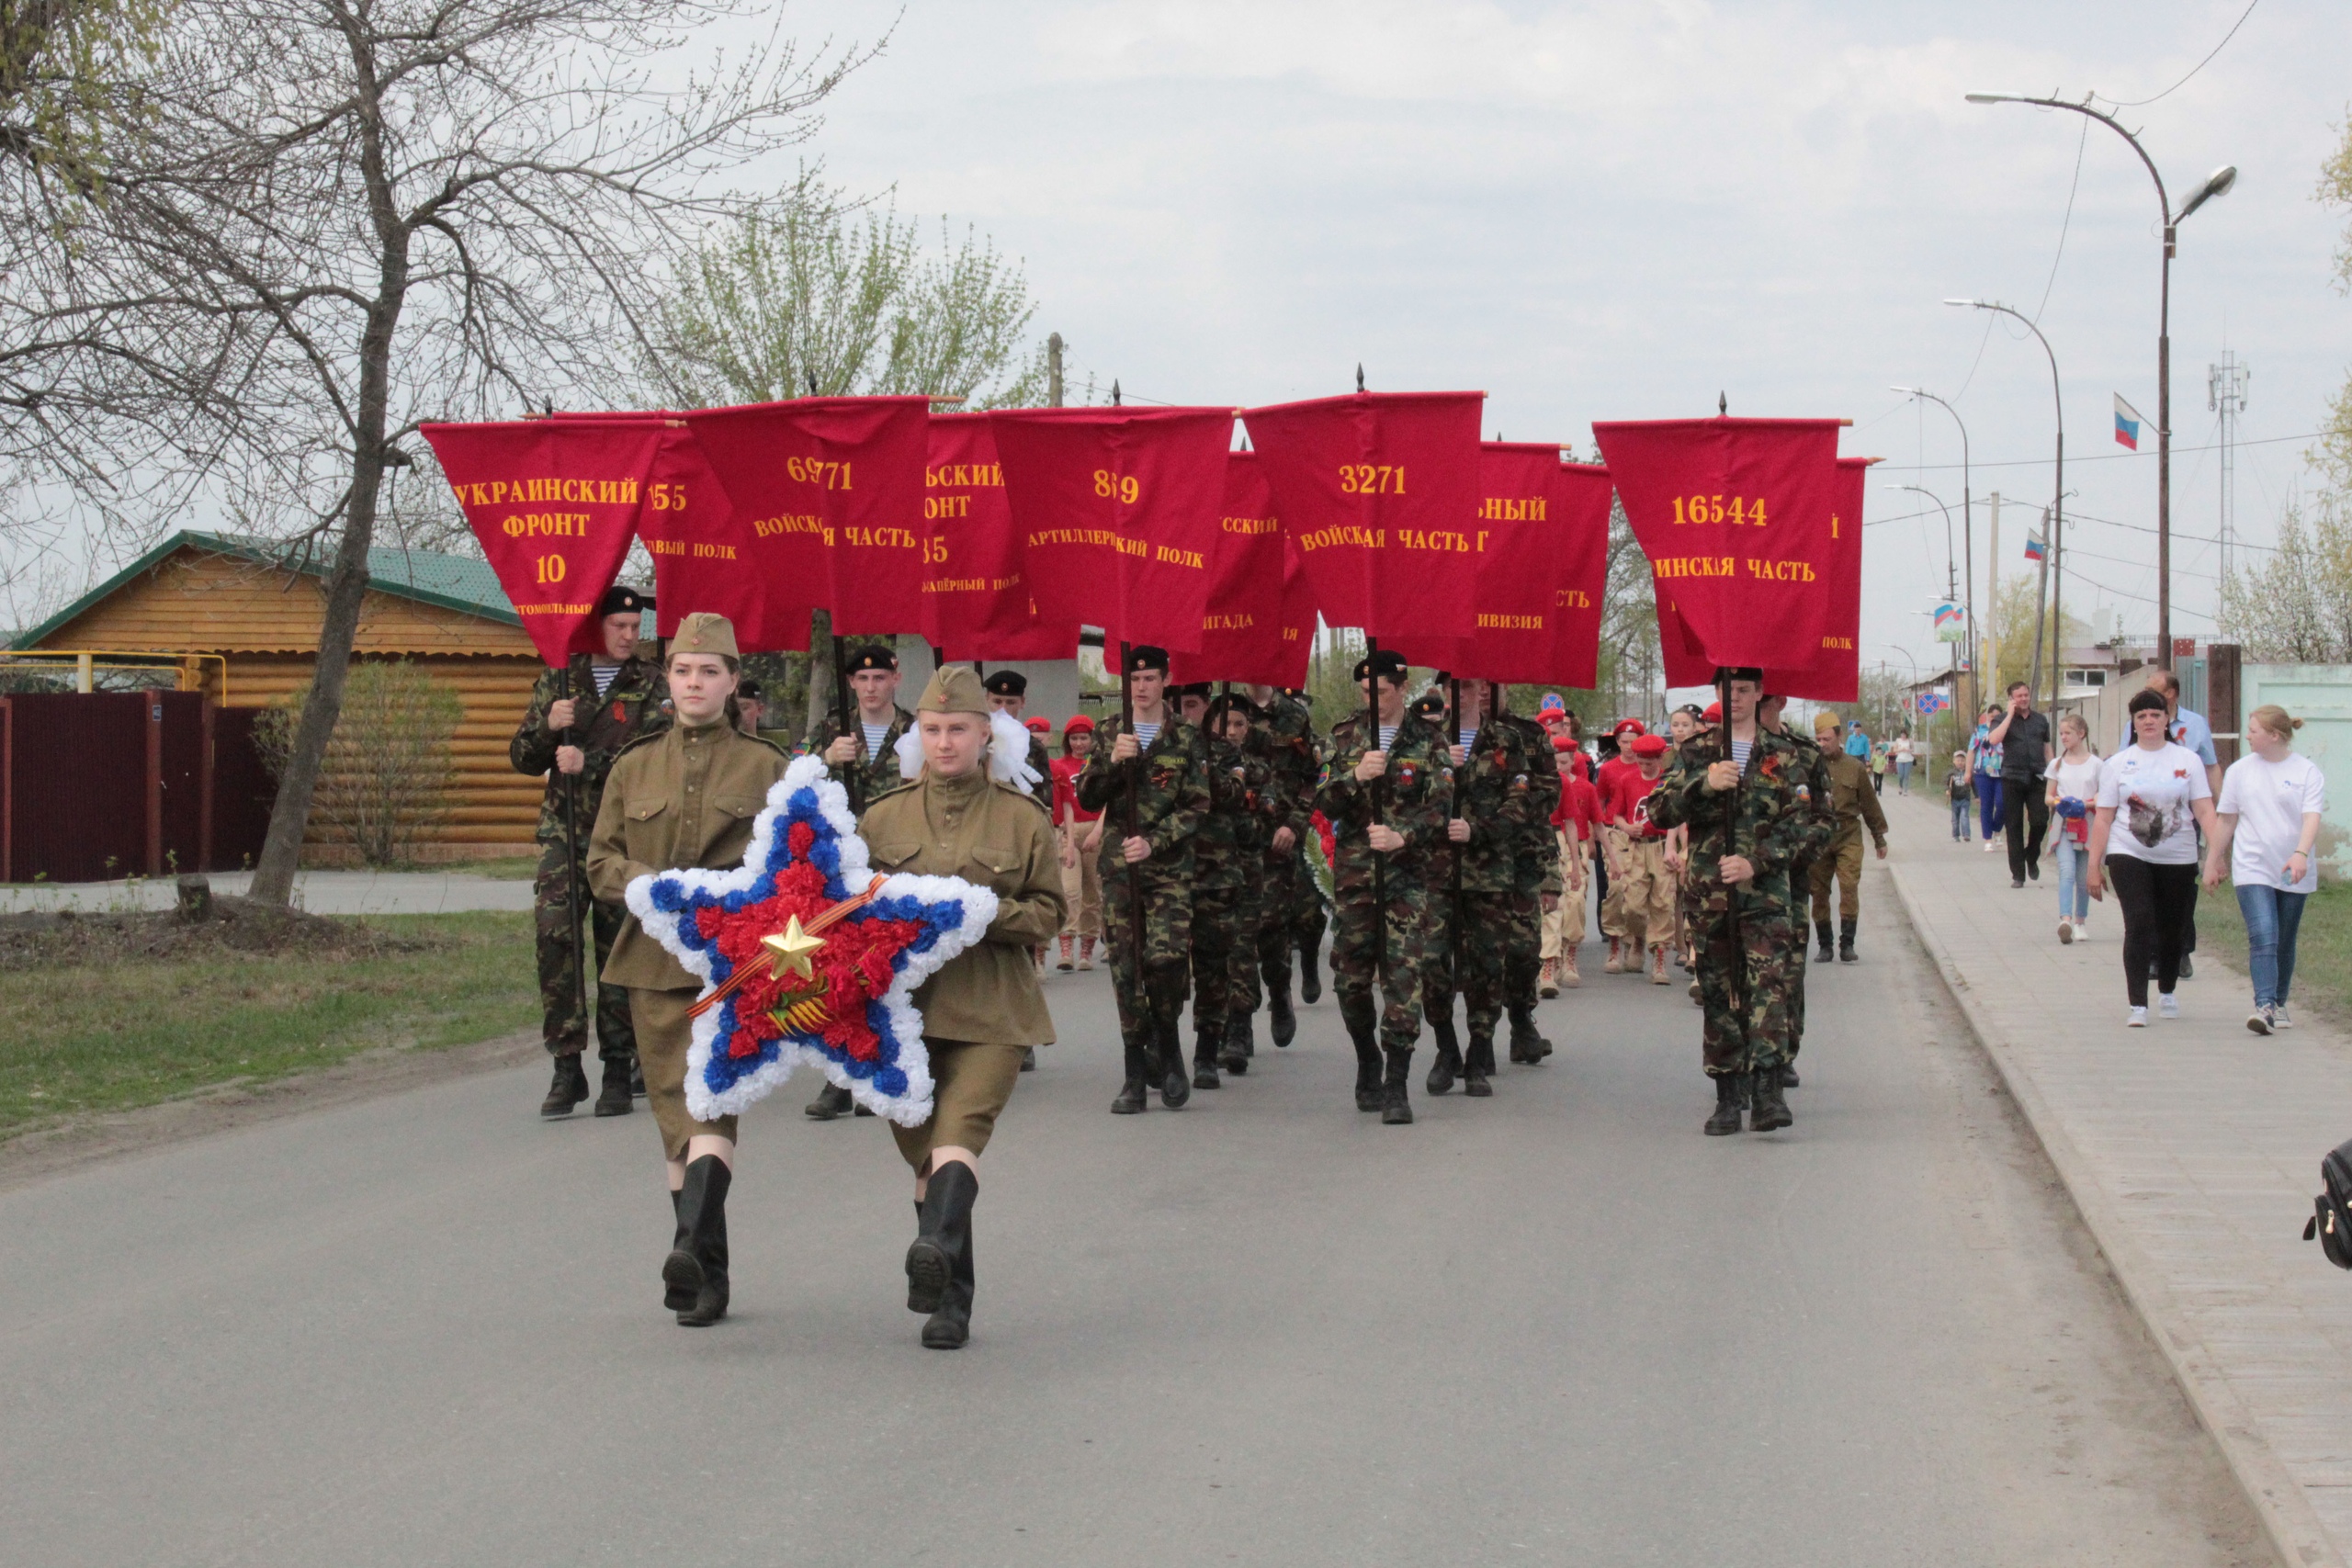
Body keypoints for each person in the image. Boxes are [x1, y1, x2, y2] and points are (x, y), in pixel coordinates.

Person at [584, 612, 790, 1327]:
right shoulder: (633, 765)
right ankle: (704, 1268)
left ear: (733, 681)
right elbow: (601, 860)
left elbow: (796, 867)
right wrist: (651, 885)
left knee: (712, 1104)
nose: (694, 683)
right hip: (654, 961)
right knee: (676, 1116)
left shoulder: (768, 767)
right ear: (667, 680)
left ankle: (687, 1249)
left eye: (709, 671)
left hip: (735, 963)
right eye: (682, 670)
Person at [857, 664, 1067, 1348]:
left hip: (991, 1010)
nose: (945, 742)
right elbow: (848, 911)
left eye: (958, 730)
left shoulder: (1022, 817)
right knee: (927, 1159)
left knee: (959, 1134)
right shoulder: (881, 817)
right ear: (918, 735)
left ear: (986, 735)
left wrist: (977, 912)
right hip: (902, 1016)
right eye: (933, 729)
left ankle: (948, 1291)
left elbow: (1048, 913)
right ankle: (944, 1280)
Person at [509, 583, 669, 1119]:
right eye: (619, 626)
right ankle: (566, 1063)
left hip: (622, 835)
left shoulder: (650, 683)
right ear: (596, 627)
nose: (629, 635)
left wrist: (591, 764)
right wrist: (547, 727)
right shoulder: (561, 677)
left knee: (616, 945)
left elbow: (655, 759)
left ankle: (619, 1066)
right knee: (555, 937)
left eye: (635, 627)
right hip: (565, 832)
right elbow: (522, 758)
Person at [1647, 670, 1824, 1135]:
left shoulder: (1783, 754)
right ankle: (1728, 1095)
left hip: (1765, 893)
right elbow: (1659, 811)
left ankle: (1768, 1093)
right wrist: (1704, 784)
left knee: (1770, 989)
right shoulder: (1696, 752)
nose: (1736, 698)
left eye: (1745, 690)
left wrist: (1756, 862)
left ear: (1760, 693)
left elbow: (1800, 822)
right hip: (1710, 895)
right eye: (1728, 690)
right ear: (1716, 693)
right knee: (1719, 992)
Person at [1316, 649, 1452, 1123]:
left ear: (1403, 687)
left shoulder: (1429, 739)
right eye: (1365, 692)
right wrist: (1356, 776)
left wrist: (1402, 836)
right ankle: (1366, 1058)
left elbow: (1441, 807)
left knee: (1402, 981)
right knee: (1350, 983)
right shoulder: (1344, 736)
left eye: (1382, 692)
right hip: (1355, 878)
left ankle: (1396, 1083)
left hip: (1407, 879)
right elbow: (1323, 801)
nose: (1373, 700)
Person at [1075, 645, 1210, 1114]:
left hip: (1168, 868)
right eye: (1134, 680)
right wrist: (1113, 761)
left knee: (1166, 958)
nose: (1141, 687)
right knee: (1127, 966)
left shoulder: (1186, 736)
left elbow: (1198, 804)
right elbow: (1087, 798)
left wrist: (1155, 841)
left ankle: (1168, 1042)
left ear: (1166, 681)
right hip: (1120, 869)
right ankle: (1135, 1070)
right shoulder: (1109, 731)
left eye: (1150, 678)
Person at [803, 643, 917, 1121]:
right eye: (862, 679)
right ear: (851, 683)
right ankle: (839, 1078)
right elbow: (793, 779)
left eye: (879, 678)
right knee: (839, 968)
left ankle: (883, 1068)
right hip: (842, 865)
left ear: (895, 680)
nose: (871, 687)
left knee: (889, 968)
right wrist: (826, 757)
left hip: (898, 859)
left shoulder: (914, 730)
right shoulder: (831, 729)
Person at [1424, 678, 1543, 1097]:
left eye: (1467, 687)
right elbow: (1406, 800)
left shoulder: (1506, 740)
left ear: (1480, 692)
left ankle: (1478, 1051)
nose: (1458, 695)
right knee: (1431, 961)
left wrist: (1478, 830)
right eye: (1450, 688)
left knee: (1487, 967)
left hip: (1488, 871)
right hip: (1437, 871)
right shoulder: (1428, 738)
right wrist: (1441, 770)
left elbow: (1520, 800)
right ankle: (1445, 1048)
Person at [2086, 687, 2218, 1027]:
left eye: (2155, 715)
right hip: (2128, 851)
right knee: (2139, 921)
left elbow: (2204, 810)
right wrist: (2093, 865)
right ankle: (2138, 1005)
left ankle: (2168, 990)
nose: (2148, 721)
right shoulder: (2118, 764)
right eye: (2141, 716)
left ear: (2166, 720)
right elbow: (2103, 817)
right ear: (2133, 722)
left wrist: (2216, 856)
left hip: (2178, 855)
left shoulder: (2186, 760)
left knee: (2172, 928)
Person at [2204, 705, 2325, 1034]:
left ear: (2274, 735)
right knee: (2263, 935)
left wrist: (2300, 854)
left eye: (2253, 730)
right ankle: (2265, 1006)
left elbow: (2311, 817)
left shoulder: (2306, 772)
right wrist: (2213, 860)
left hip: (2292, 868)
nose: (2247, 735)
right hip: (2252, 865)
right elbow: (2227, 819)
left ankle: (2279, 1001)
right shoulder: (2240, 771)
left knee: (2284, 939)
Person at [1170, 682, 1268, 1088]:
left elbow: (1230, 796)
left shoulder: (1225, 753)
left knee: (1216, 965)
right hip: (1168, 872)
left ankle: (1209, 1049)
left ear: (1206, 708)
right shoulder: (1159, 748)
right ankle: (1163, 1045)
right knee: (1165, 964)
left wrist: (1201, 761)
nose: (1185, 712)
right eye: (1178, 705)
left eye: (1192, 705)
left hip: (1216, 873)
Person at [1246, 682, 1323, 1048]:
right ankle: (1238, 1023)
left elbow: (1314, 777)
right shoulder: (1227, 711)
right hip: (1233, 841)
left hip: (1278, 841)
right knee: (1234, 934)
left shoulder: (1293, 716)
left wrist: (1294, 824)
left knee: (1271, 927)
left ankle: (1279, 994)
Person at [1807, 708, 1888, 964]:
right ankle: (1825, 945)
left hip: (1848, 834)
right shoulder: (1809, 766)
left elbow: (1869, 804)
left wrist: (1879, 838)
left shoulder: (1854, 767)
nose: (1823, 744)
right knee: (1818, 892)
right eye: (1819, 739)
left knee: (1849, 886)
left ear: (1839, 736)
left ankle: (1847, 944)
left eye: (1827, 739)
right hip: (1819, 835)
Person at [1599, 732, 1677, 983]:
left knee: (1663, 902)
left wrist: (1671, 847)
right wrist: (1626, 827)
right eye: (1640, 762)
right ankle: (1639, 937)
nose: (1643, 767)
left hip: (1660, 845)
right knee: (1632, 904)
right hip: (1635, 847)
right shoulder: (1627, 779)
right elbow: (1616, 815)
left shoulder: (1668, 782)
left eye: (1649, 763)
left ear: (1660, 759)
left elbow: (1677, 818)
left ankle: (1659, 959)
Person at [1540, 738, 1597, 991]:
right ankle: (1543, 963)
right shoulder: (1522, 779)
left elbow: (1571, 824)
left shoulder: (1561, 782)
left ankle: (1554, 963)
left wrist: (1575, 864)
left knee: (1563, 904)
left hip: (1556, 840)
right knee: (1538, 908)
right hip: (1528, 840)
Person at [1050, 716, 1104, 973]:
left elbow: (1108, 801)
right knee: (1070, 891)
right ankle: (1066, 947)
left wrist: (1098, 831)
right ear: (1067, 740)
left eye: (1084, 738)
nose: (1079, 743)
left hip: (1095, 830)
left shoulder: (1099, 766)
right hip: (1068, 832)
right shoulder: (1059, 766)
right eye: (1074, 738)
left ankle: (1087, 949)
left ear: (1092, 739)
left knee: (1093, 893)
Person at [1987, 681, 2053, 888]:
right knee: (2014, 826)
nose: (2024, 699)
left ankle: (2031, 856)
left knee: (2040, 821)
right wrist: (2009, 715)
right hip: (2012, 777)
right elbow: (1994, 740)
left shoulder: (2040, 720)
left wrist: (2054, 774)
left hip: (2037, 777)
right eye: (2019, 696)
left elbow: (2047, 749)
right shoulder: (2000, 719)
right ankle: (2018, 874)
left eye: (2026, 695)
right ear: (2011, 699)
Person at [1595, 718, 1646, 972]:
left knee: (1637, 893)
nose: (1629, 747)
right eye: (1624, 742)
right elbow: (1599, 802)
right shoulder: (1608, 769)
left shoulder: (1648, 767)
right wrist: (1596, 835)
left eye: (1633, 742)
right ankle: (1615, 942)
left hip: (1642, 834)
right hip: (1614, 832)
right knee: (1615, 887)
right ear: (1617, 742)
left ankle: (1636, 938)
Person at [2044, 712, 2101, 944]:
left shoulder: (2097, 764)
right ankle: (2065, 920)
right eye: (2061, 734)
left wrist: (2086, 804)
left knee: (2083, 876)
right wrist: (2062, 803)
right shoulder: (2056, 764)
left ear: (2081, 733)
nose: (2064, 737)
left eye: (2068, 733)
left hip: (2088, 824)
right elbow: (2048, 797)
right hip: (2064, 823)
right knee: (2066, 871)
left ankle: (2080, 922)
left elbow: (2101, 796)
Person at [982, 668, 1056, 784]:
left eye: (1011, 702)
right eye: (997, 702)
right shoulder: (975, 741)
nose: (1003, 709)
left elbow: (1042, 792)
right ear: (986, 700)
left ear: (1022, 702)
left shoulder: (1034, 748)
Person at [1971, 707, 2006, 851]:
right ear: (1987, 716)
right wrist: (1967, 772)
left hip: (2003, 772)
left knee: (2002, 803)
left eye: (1998, 716)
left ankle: (1997, 828)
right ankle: (1988, 839)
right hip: (1983, 772)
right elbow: (1971, 751)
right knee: (1986, 805)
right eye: (1992, 716)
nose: (1994, 718)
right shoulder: (1979, 731)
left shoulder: (2006, 729)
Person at [1947, 750, 1973, 842]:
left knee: (1964, 816)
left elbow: (1973, 784)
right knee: (1955, 819)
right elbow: (1947, 784)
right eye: (1958, 760)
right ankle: (1955, 835)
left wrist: (1977, 796)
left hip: (1965, 798)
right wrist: (1947, 790)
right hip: (1954, 799)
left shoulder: (1968, 773)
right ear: (1954, 761)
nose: (1960, 762)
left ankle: (1966, 834)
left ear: (1966, 761)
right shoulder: (1951, 773)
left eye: (1962, 760)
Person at [1892, 731, 1915, 795]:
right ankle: (1900, 786)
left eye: (1904, 735)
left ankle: (1906, 790)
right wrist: (1901, 749)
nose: (1903, 736)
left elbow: (1913, 749)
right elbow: (1894, 750)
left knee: (1906, 775)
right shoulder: (1898, 740)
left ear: (1906, 735)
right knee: (1901, 775)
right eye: (1902, 735)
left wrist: (1908, 750)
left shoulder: (1910, 740)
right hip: (1900, 759)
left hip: (1908, 759)